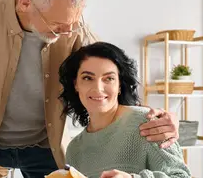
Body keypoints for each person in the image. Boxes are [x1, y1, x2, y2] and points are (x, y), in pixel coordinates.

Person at [0, 0, 180, 177]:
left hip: (46, 146)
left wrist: (150, 118)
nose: (69, 31)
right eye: (59, 26)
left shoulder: (73, 26)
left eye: (74, 24)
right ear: (25, 1)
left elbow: (108, 76)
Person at [59, 41, 191, 178]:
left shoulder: (148, 124)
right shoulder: (74, 150)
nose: (98, 88)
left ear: (120, 85)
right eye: (88, 78)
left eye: (109, 78)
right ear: (76, 84)